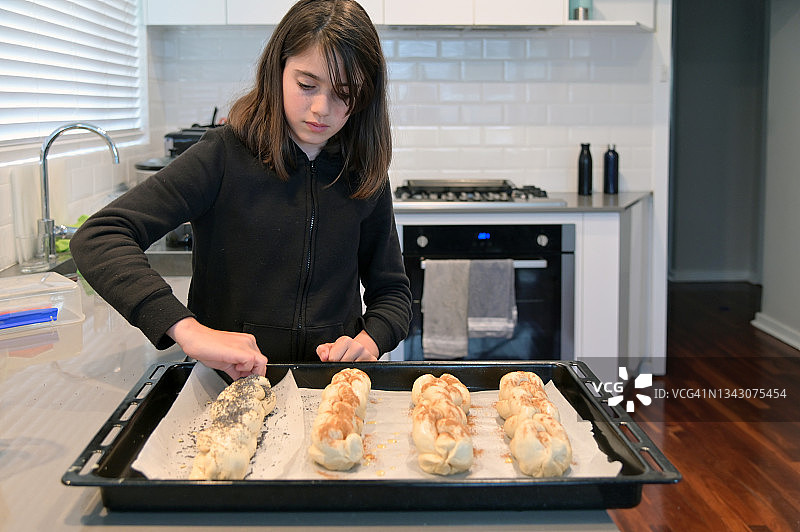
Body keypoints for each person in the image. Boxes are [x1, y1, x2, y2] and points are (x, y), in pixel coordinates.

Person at [71, 0, 411, 381]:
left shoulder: (364, 172)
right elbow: (100, 237)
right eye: (306, 85)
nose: (321, 108)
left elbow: (393, 294)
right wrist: (187, 329)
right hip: (225, 385)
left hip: (327, 391)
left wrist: (370, 340)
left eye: (344, 92)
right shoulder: (223, 154)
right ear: (278, 69)